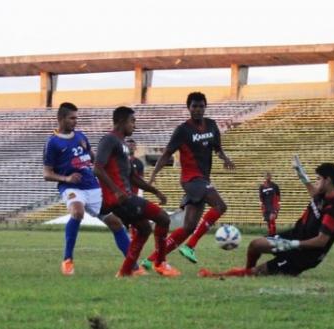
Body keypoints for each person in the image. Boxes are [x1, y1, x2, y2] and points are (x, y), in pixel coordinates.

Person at [199, 158, 334, 277]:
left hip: (305, 255)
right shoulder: (324, 194)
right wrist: (301, 174)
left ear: (328, 180)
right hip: (295, 236)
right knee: (255, 245)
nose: (316, 182)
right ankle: (247, 272)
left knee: (260, 271)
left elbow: (321, 241)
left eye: (318, 179)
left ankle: (247, 273)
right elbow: (315, 193)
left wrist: (293, 245)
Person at [144, 91, 235, 267]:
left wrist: (225, 158)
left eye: (201, 106)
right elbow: (167, 154)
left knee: (189, 227)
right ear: (189, 108)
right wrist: (154, 174)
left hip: (202, 179)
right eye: (194, 106)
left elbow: (217, 148)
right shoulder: (182, 130)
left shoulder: (211, 125)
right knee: (220, 206)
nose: (198, 109)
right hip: (191, 179)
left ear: (205, 107)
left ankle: (150, 260)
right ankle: (191, 246)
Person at [43, 102, 131, 276]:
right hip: (71, 187)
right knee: (77, 212)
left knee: (115, 222)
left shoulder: (81, 137)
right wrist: (66, 178)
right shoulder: (52, 143)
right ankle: (67, 260)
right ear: (61, 119)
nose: (75, 121)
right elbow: (47, 173)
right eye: (72, 118)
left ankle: (132, 265)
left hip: (92, 186)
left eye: (76, 118)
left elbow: (94, 159)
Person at [93, 106, 179, 277]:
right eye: (132, 121)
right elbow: (97, 168)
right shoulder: (109, 140)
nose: (135, 126)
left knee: (145, 229)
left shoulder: (123, 145)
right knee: (162, 218)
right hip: (120, 200)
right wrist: (116, 191)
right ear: (120, 121)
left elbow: (132, 177)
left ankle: (125, 271)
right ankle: (160, 263)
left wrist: (155, 191)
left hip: (125, 197)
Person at [259, 172, 281, 236]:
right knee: (268, 221)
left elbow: (278, 195)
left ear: (271, 177)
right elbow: (261, 197)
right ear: (265, 177)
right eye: (266, 176)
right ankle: (271, 234)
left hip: (273, 205)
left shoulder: (274, 185)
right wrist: (262, 205)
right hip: (266, 206)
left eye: (269, 176)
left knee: (272, 219)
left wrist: (278, 205)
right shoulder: (262, 186)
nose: (268, 177)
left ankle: (273, 234)